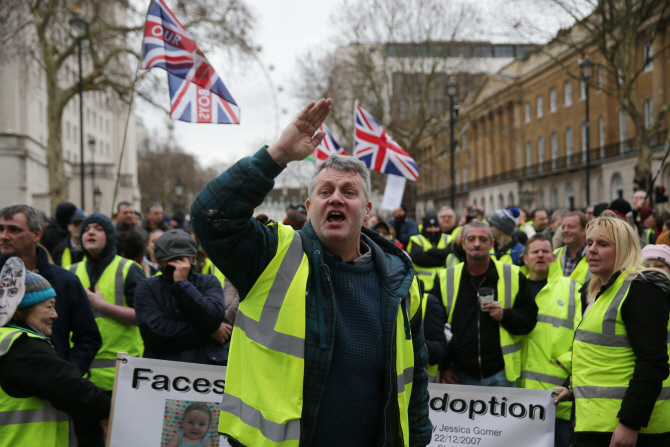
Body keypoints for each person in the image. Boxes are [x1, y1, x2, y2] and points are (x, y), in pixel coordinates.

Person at [190, 99, 431, 447]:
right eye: (325, 191)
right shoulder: (272, 254)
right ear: (308, 208)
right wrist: (277, 156)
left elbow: (416, 376)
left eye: (349, 192)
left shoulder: (400, 282)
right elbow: (211, 217)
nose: (336, 199)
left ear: (366, 210)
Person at [554, 212, 670, 446]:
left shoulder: (641, 289)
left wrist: (630, 423)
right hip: (594, 423)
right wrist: (571, 386)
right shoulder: (597, 291)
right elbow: (603, 355)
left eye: (602, 244)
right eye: (589, 243)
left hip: (623, 429)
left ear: (625, 249)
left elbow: (652, 362)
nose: (592, 250)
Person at [0, 269, 110, 446]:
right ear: (21, 309)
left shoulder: (4, 339)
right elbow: (71, 388)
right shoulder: (24, 348)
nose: (55, 314)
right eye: (49, 306)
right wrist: (108, 409)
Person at [434, 220, 538, 387]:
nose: (477, 244)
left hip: (502, 374)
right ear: (463, 243)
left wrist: (505, 315)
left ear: (492, 244)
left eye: (483, 239)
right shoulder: (446, 278)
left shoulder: (513, 275)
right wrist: (445, 366)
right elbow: (435, 327)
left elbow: (530, 318)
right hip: (460, 374)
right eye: (471, 239)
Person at [69, 213, 145, 391]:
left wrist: (102, 306)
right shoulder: (70, 272)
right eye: (86, 229)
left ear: (110, 236)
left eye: (99, 228)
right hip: (81, 376)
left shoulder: (129, 269)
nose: (91, 232)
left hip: (121, 376)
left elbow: (144, 317)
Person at [518, 234, 581, 447]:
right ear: (525, 258)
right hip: (516, 392)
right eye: (535, 252)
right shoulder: (513, 286)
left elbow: (586, 334)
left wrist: (567, 362)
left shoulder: (572, 288)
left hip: (555, 392)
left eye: (546, 251)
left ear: (554, 257)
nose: (541, 256)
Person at [134, 229, 230, 364]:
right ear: (158, 261)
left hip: (206, 370)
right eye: (170, 260)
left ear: (193, 259)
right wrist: (210, 332)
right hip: (161, 372)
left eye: (180, 259)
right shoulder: (147, 287)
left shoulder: (209, 282)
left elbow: (213, 317)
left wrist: (183, 284)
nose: (176, 266)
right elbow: (155, 333)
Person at [407, 211, 450, 293]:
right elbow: (418, 258)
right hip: (422, 285)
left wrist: (431, 251)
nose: (433, 229)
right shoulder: (416, 239)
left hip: (444, 284)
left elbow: (450, 253)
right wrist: (441, 259)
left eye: (435, 226)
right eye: (429, 227)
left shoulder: (447, 238)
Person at [553, 211, 590, 285]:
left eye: (571, 227)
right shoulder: (554, 255)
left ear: (584, 230)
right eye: (563, 227)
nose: (565, 231)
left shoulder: (594, 254)